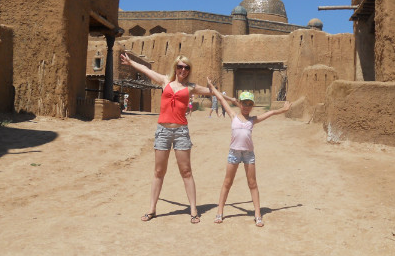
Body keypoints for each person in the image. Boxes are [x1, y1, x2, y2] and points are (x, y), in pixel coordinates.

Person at [120, 52, 212, 224]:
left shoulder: (191, 87)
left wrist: (226, 95)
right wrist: (131, 63)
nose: (183, 70)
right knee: (159, 172)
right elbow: (147, 70)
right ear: (175, 68)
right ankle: (152, 209)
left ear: (189, 70)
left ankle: (193, 209)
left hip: (181, 132)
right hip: (163, 131)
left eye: (186, 67)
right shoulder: (165, 81)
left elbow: (211, 92)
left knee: (186, 171)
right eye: (180, 67)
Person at [207, 79, 290, 227]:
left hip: (248, 154)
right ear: (239, 103)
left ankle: (257, 214)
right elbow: (221, 98)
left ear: (252, 106)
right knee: (227, 182)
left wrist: (283, 110)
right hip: (234, 153)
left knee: (252, 183)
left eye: (249, 104)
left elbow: (271, 112)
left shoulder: (253, 120)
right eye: (244, 103)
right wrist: (211, 86)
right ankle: (220, 212)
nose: (246, 106)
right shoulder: (233, 115)